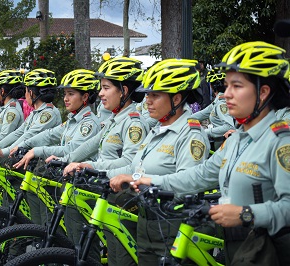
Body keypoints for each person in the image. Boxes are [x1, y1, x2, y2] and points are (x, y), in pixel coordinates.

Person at [130, 41, 290, 265]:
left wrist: (245, 213)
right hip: (237, 246)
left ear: (263, 92)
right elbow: (202, 174)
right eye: (226, 86)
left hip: (270, 251)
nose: (226, 95)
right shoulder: (237, 138)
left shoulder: (281, 142)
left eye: (237, 86)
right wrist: (153, 181)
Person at [109, 59, 210, 265]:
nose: (148, 101)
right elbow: (133, 168)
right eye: (147, 95)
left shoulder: (191, 135)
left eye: (155, 95)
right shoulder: (157, 129)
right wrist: (94, 169)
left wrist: (138, 178)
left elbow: (187, 184)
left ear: (177, 99)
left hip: (173, 227)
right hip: (148, 222)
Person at [57, 57, 150, 266]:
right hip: (109, 192)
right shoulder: (114, 120)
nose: (100, 93)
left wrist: (90, 166)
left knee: (120, 259)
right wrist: (65, 160)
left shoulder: (134, 123)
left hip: (123, 198)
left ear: (124, 91)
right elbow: (88, 146)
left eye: (106, 88)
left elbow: (129, 162)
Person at [11, 69, 102, 261]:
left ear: (85, 96)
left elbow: (73, 150)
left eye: (71, 94)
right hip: (69, 179)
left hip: (83, 183)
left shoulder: (89, 123)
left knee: (81, 242)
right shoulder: (72, 120)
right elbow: (50, 135)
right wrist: (26, 145)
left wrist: (38, 151)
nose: (66, 99)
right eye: (65, 94)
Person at [0, 68, 61, 161]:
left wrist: (6, 151)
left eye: (26, 91)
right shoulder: (35, 112)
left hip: (44, 164)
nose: (25, 95)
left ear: (31, 93)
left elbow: (29, 135)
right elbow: (19, 132)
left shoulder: (49, 113)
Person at [191, 70, 235, 150]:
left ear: (212, 86)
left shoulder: (221, 104)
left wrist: (206, 131)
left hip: (223, 144)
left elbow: (229, 127)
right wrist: (183, 120)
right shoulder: (217, 102)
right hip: (219, 142)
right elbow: (203, 113)